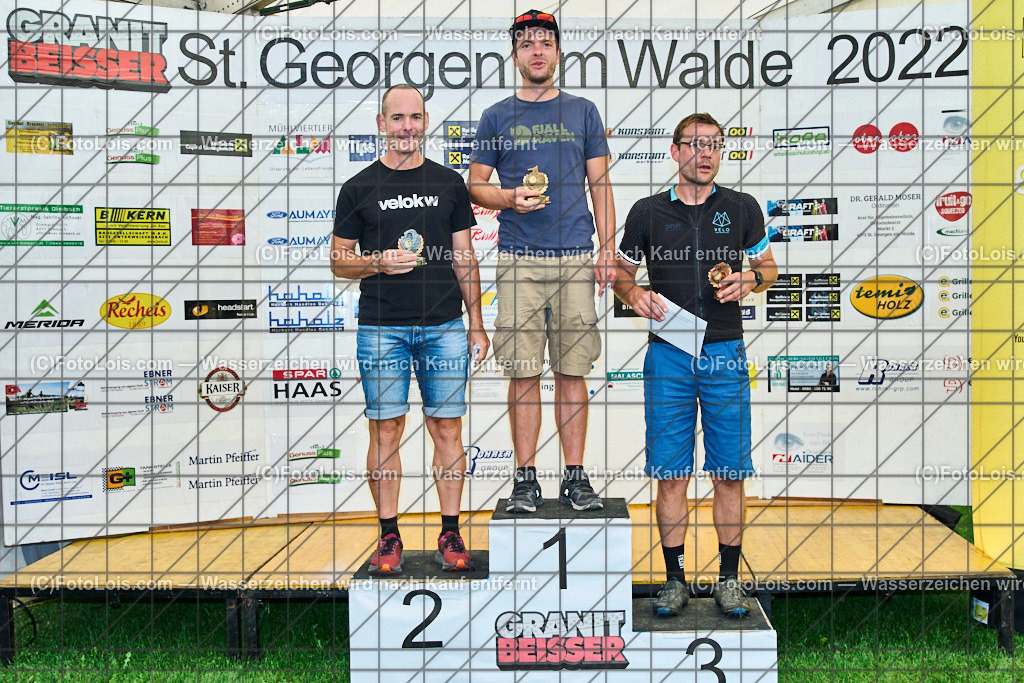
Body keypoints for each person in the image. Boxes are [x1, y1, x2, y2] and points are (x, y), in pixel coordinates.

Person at [613, 113, 778, 617]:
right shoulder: (646, 212)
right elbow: (619, 276)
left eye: (714, 146)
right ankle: (674, 580)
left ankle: (729, 580)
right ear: (675, 150)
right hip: (669, 354)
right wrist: (632, 291)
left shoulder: (743, 207)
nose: (705, 154)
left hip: (725, 352)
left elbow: (768, 269)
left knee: (729, 474)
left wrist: (751, 282)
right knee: (671, 475)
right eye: (695, 145)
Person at [331, 84, 489, 575]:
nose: (406, 127)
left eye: (415, 118)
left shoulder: (448, 184)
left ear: (425, 123)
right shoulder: (359, 187)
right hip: (381, 329)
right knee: (386, 431)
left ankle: (450, 530)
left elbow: (465, 256)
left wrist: (477, 324)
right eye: (397, 118)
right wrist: (377, 261)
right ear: (381, 124)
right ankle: (389, 537)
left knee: (447, 430)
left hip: (444, 325)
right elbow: (339, 261)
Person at [468, 10, 615, 513]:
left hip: (576, 256)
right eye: (527, 43)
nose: (537, 51)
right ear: (515, 55)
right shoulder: (495, 115)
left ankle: (575, 478)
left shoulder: (583, 112)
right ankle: (525, 478)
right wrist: (508, 198)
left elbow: (601, 184)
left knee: (573, 372)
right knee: (524, 373)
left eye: (545, 43)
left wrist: (608, 248)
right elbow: (475, 184)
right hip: (518, 261)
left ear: (557, 53)